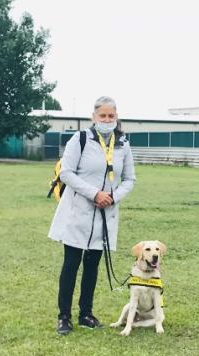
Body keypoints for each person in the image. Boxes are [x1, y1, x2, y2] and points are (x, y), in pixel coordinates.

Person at [48, 96, 136, 335]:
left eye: (111, 116)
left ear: (116, 118)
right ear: (94, 117)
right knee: (71, 263)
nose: (107, 120)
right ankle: (63, 316)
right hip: (79, 209)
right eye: (103, 116)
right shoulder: (80, 139)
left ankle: (86, 313)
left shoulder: (123, 145)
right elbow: (66, 173)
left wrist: (113, 197)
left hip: (105, 212)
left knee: (92, 264)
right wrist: (94, 194)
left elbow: (129, 179)